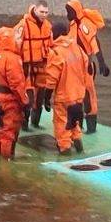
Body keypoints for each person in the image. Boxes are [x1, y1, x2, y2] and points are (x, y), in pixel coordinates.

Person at [41, 20, 91, 155]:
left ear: (55, 34)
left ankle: (65, 151)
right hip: (78, 95)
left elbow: (52, 78)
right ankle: (79, 146)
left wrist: (46, 98)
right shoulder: (78, 48)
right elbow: (86, 66)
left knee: (62, 125)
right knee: (74, 121)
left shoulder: (56, 52)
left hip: (64, 97)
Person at [0, 26, 29, 160]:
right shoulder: (12, 59)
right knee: (9, 132)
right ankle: (7, 159)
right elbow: (17, 84)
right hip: (9, 100)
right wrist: (25, 102)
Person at [65, 0, 109, 134]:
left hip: (86, 66)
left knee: (88, 95)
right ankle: (78, 124)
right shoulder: (72, 25)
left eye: (69, 12)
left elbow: (94, 42)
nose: (67, 14)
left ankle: (91, 126)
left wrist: (101, 62)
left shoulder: (84, 24)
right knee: (75, 95)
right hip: (74, 67)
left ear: (75, 11)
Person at [16, 1, 53, 130]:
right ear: (35, 10)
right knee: (28, 97)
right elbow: (15, 45)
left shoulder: (48, 26)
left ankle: (35, 123)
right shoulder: (23, 25)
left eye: (46, 12)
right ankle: (24, 125)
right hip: (27, 66)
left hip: (42, 65)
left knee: (40, 97)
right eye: (41, 12)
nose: (44, 15)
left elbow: (51, 45)